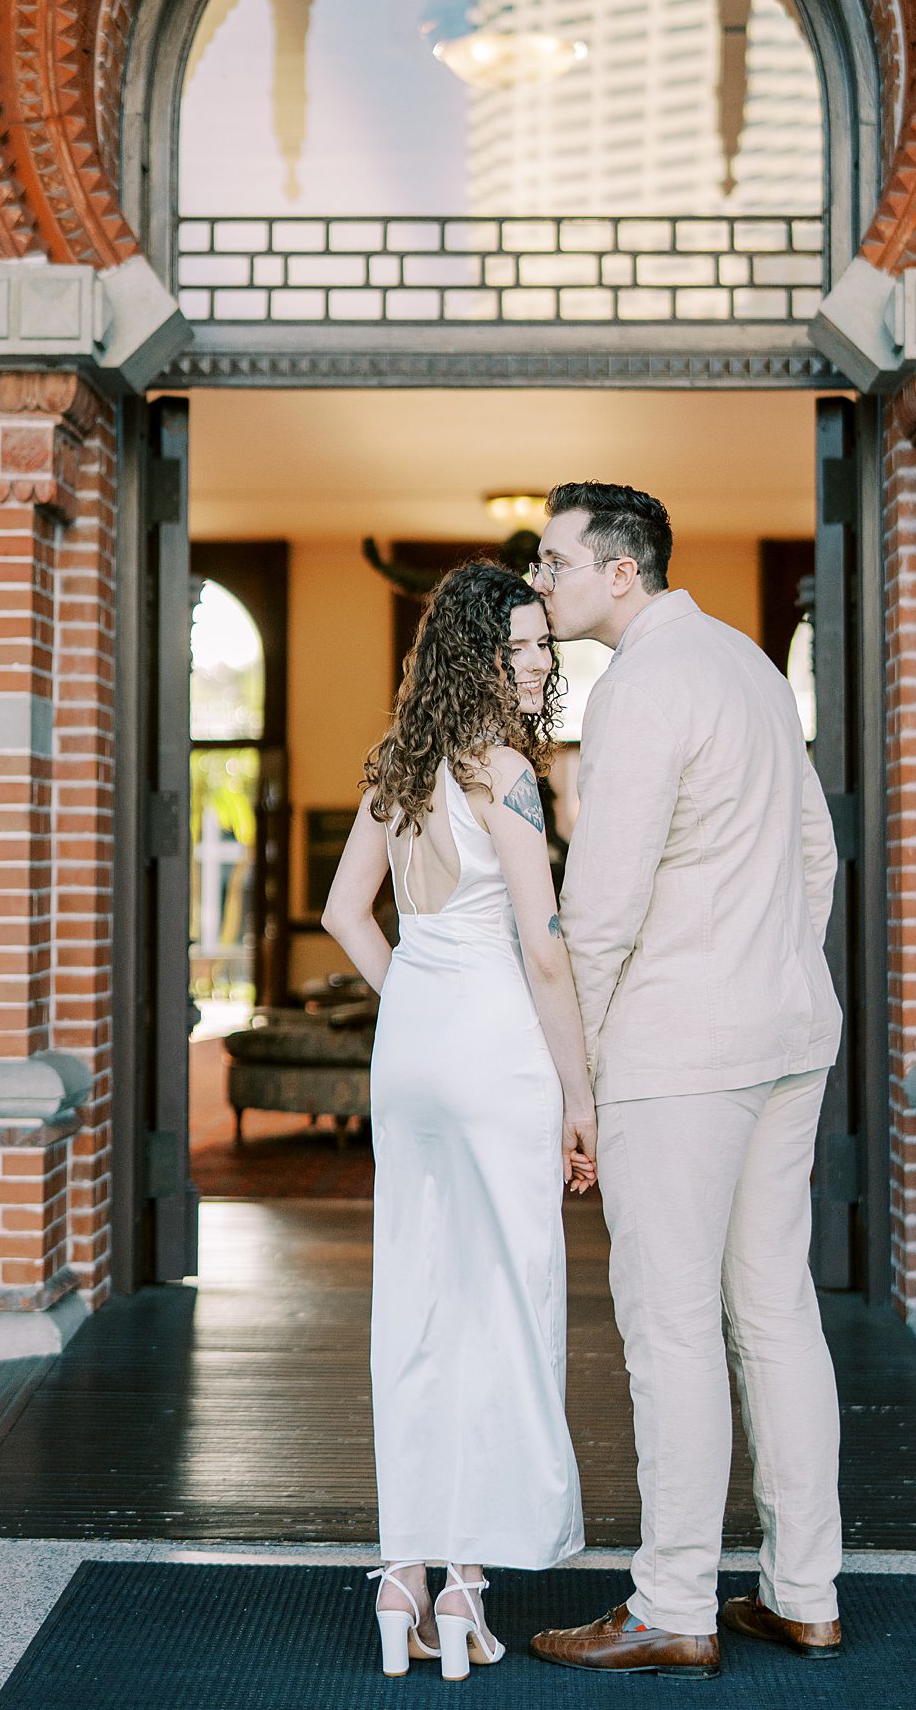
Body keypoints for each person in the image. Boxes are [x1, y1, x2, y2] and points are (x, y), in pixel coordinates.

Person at [526, 480, 844, 1681]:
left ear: (624, 571)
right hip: (786, 1030)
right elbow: (816, 846)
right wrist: (771, 965)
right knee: (775, 1313)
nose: (541, 579)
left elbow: (600, 907)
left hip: (677, 1050)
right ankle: (804, 1593)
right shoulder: (752, 665)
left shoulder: (642, 684)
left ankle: (672, 1604)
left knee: (670, 1330)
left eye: (556, 560)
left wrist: (582, 1076)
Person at [322, 560, 595, 1682]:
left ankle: (406, 1580)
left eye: (544, 644)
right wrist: (582, 1096)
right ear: (479, 654)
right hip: (495, 1053)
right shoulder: (508, 776)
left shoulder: (401, 766)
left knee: (417, 1306)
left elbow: (346, 914)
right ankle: (472, 1585)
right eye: (522, 646)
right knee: (506, 1305)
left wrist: (415, 998)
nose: (540, 663)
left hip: (417, 1053)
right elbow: (542, 947)